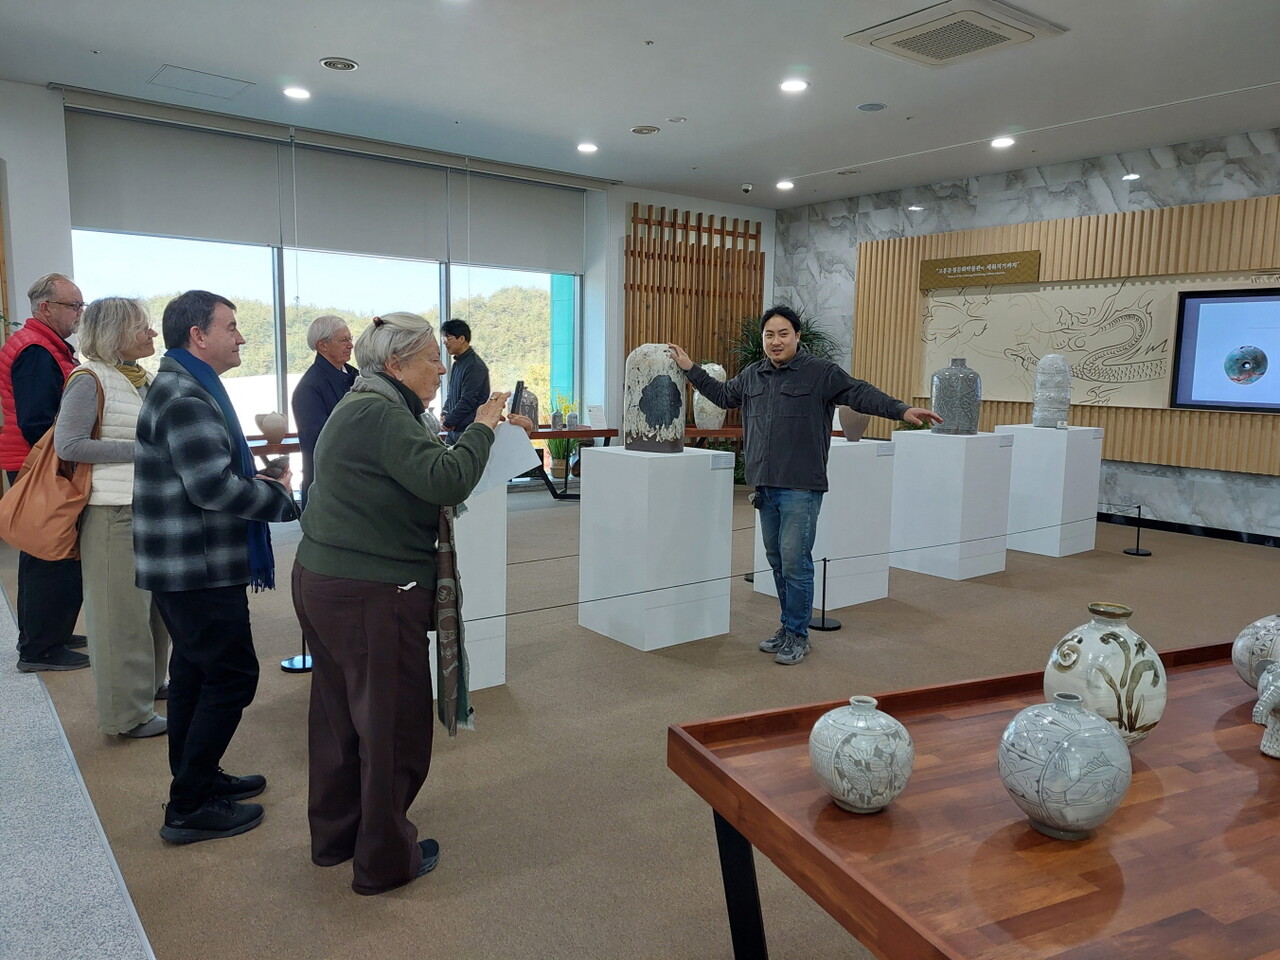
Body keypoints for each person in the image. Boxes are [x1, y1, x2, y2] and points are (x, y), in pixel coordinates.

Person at [293, 311, 507, 895]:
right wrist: (484, 427)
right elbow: (445, 480)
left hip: (330, 579)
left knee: (341, 720)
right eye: (432, 357)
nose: (442, 366)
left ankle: (338, 837)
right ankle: (384, 861)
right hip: (369, 591)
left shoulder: (367, 402)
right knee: (391, 727)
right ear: (395, 364)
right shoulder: (379, 411)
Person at [668, 305, 941, 667]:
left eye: (783, 334)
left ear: (797, 336)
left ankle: (798, 634)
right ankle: (787, 626)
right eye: (769, 335)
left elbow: (859, 393)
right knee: (777, 561)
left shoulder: (820, 373)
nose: (776, 341)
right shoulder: (753, 375)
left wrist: (902, 410)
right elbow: (722, 395)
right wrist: (691, 369)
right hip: (765, 484)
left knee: (796, 563)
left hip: (800, 486)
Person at [133, 290, 299, 844]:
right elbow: (210, 487)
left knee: (194, 675)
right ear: (198, 336)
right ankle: (188, 806)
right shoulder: (186, 395)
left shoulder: (185, 385)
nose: (241, 337)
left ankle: (196, 776)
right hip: (196, 565)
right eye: (231, 327)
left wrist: (256, 480)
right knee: (232, 677)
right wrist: (279, 498)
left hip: (186, 563)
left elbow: (209, 475)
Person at [54, 297, 169, 738]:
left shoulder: (142, 377)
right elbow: (70, 445)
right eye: (143, 327)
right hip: (111, 513)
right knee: (118, 619)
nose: (152, 334)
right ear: (117, 332)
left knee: (153, 612)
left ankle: (152, 687)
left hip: (146, 508)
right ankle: (127, 714)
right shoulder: (89, 378)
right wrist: (147, 453)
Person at [1, 273, 89, 672]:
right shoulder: (36, 350)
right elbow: (38, 419)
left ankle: (49, 633)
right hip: (38, 464)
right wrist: (70, 455)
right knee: (50, 554)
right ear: (45, 308)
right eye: (74, 306)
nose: (79, 313)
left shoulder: (43, 345)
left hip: (34, 461)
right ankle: (40, 649)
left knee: (46, 554)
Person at [291, 314, 357, 508]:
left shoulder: (356, 378)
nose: (350, 345)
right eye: (343, 340)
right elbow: (322, 443)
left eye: (350, 339)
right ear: (322, 345)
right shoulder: (309, 388)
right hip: (331, 489)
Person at [440, 318, 490, 444]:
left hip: (468, 431)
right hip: (454, 430)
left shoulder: (474, 366)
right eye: (443, 339)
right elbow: (451, 394)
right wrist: (445, 412)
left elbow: (468, 400)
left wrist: (449, 421)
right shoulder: (457, 363)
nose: (445, 343)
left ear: (461, 339)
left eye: (448, 338)